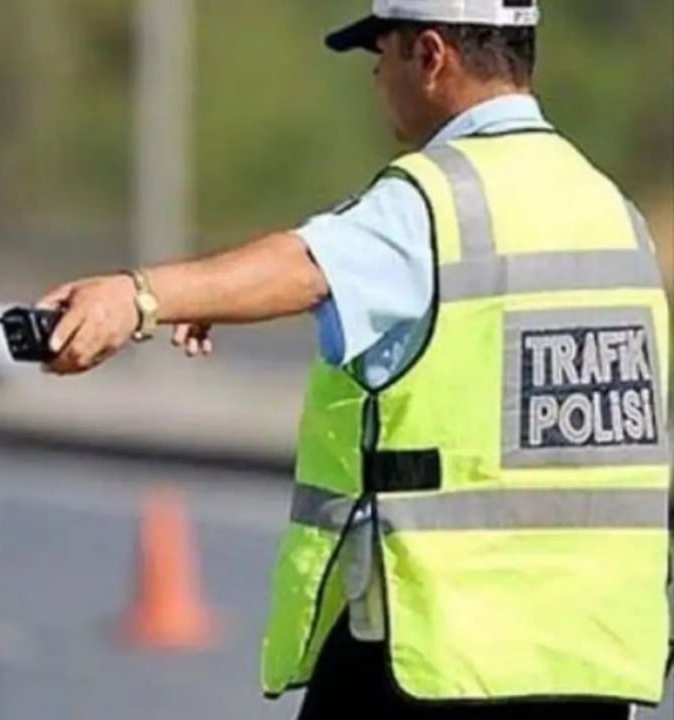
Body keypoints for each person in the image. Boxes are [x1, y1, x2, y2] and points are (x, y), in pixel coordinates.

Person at [36, 1, 670, 717]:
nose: (375, 78)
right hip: (591, 658)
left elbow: (307, 265)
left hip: (443, 663)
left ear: (430, 56)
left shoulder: (436, 201)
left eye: (382, 54)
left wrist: (138, 297)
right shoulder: (612, 212)